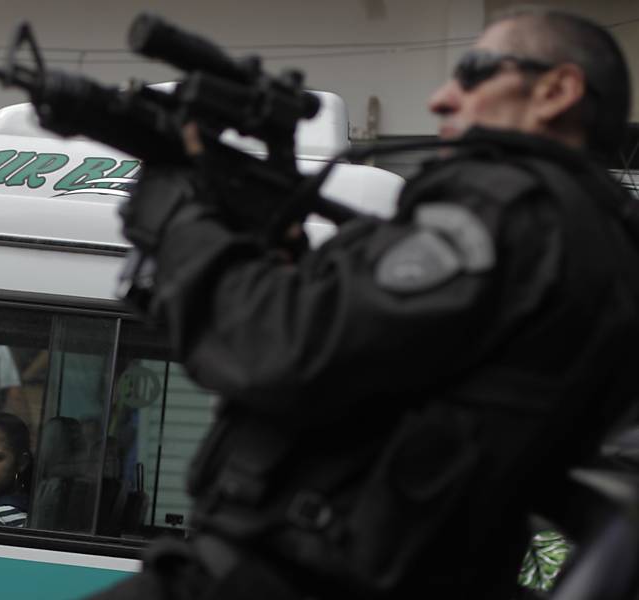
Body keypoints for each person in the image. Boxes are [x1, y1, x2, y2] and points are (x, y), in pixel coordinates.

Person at [93, 8, 639, 600]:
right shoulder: (603, 241)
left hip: (295, 577)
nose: (441, 99)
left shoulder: (506, 209)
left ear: (557, 90)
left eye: (474, 72)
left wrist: (181, 222)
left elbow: (280, 351)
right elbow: (411, 376)